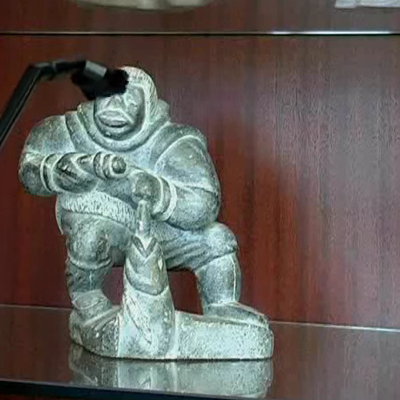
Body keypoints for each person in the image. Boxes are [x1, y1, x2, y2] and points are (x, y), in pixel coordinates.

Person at [19, 66, 266, 327]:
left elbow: (204, 203)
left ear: (147, 106)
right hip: (97, 221)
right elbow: (28, 169)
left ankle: (221, 304)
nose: (116, 105)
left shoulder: (172, 141)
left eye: (128, 99)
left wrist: (157, 192)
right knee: (90, 234)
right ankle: (87, 298)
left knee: (217, 238)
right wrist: (65, 170)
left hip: (156, 229)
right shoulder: (68, 130)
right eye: (108, 96)